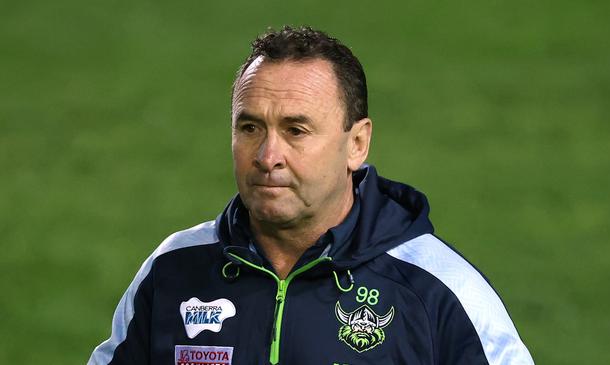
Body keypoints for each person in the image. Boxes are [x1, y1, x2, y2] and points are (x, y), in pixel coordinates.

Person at [88, 26, 534, 365]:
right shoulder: (174, 270)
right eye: (250, 128)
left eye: (295, 130)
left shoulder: (437, 290)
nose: (267, 156)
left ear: (356, 144)